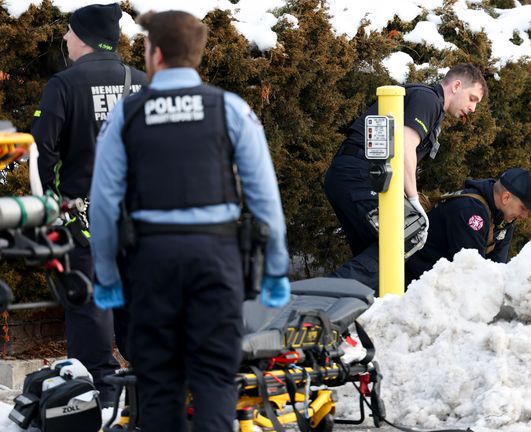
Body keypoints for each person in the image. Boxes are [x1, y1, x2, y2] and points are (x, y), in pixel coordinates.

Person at [88, 10, 290, 431]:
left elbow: (104, 203)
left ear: (156, 54)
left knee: (159, 382)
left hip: (151, 260)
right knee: (215, 377)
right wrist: (275, 268)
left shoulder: (126, 115)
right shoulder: (230, 109)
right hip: (215, 258)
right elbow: (264, 196)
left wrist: (106, 275)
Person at [30, 2, 147, 404]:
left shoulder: (63, 85)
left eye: (69, 31)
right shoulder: (145, 84)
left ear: (82, 37)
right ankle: (149, 400)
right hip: (139, 225)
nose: (64, 38)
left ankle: (101, 402)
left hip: (84, 227)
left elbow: (40, 154)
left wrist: (49, 210)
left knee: (91, 320)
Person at [324, 64, 488, 257]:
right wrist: (413, 199)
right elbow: (404, 145)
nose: (473, 108)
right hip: (362, 176)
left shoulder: (428, 102)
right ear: (456, 86)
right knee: (391, 251)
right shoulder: (428, 100)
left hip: (357, 175)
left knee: (373, 255)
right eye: (472, 99)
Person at [333, 168, 531, 293]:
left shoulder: (502, 218)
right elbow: (471, 271)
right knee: (338, 294)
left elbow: (497, 269)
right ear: (506, 197)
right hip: (394, 269)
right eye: (524, 208)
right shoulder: (471, 212)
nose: (525, 215)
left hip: (414, 281)